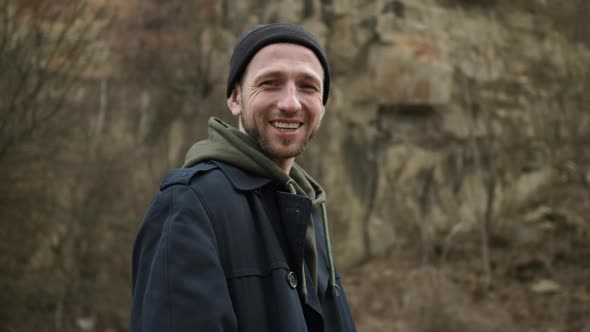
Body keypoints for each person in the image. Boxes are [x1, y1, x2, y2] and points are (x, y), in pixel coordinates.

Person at [130, 23, 357, 332]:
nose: (291, 103)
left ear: (322, 106)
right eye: (270, 83)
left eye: (308, 86)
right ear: (235, 99)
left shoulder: (308, 213)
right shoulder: (189, 205)